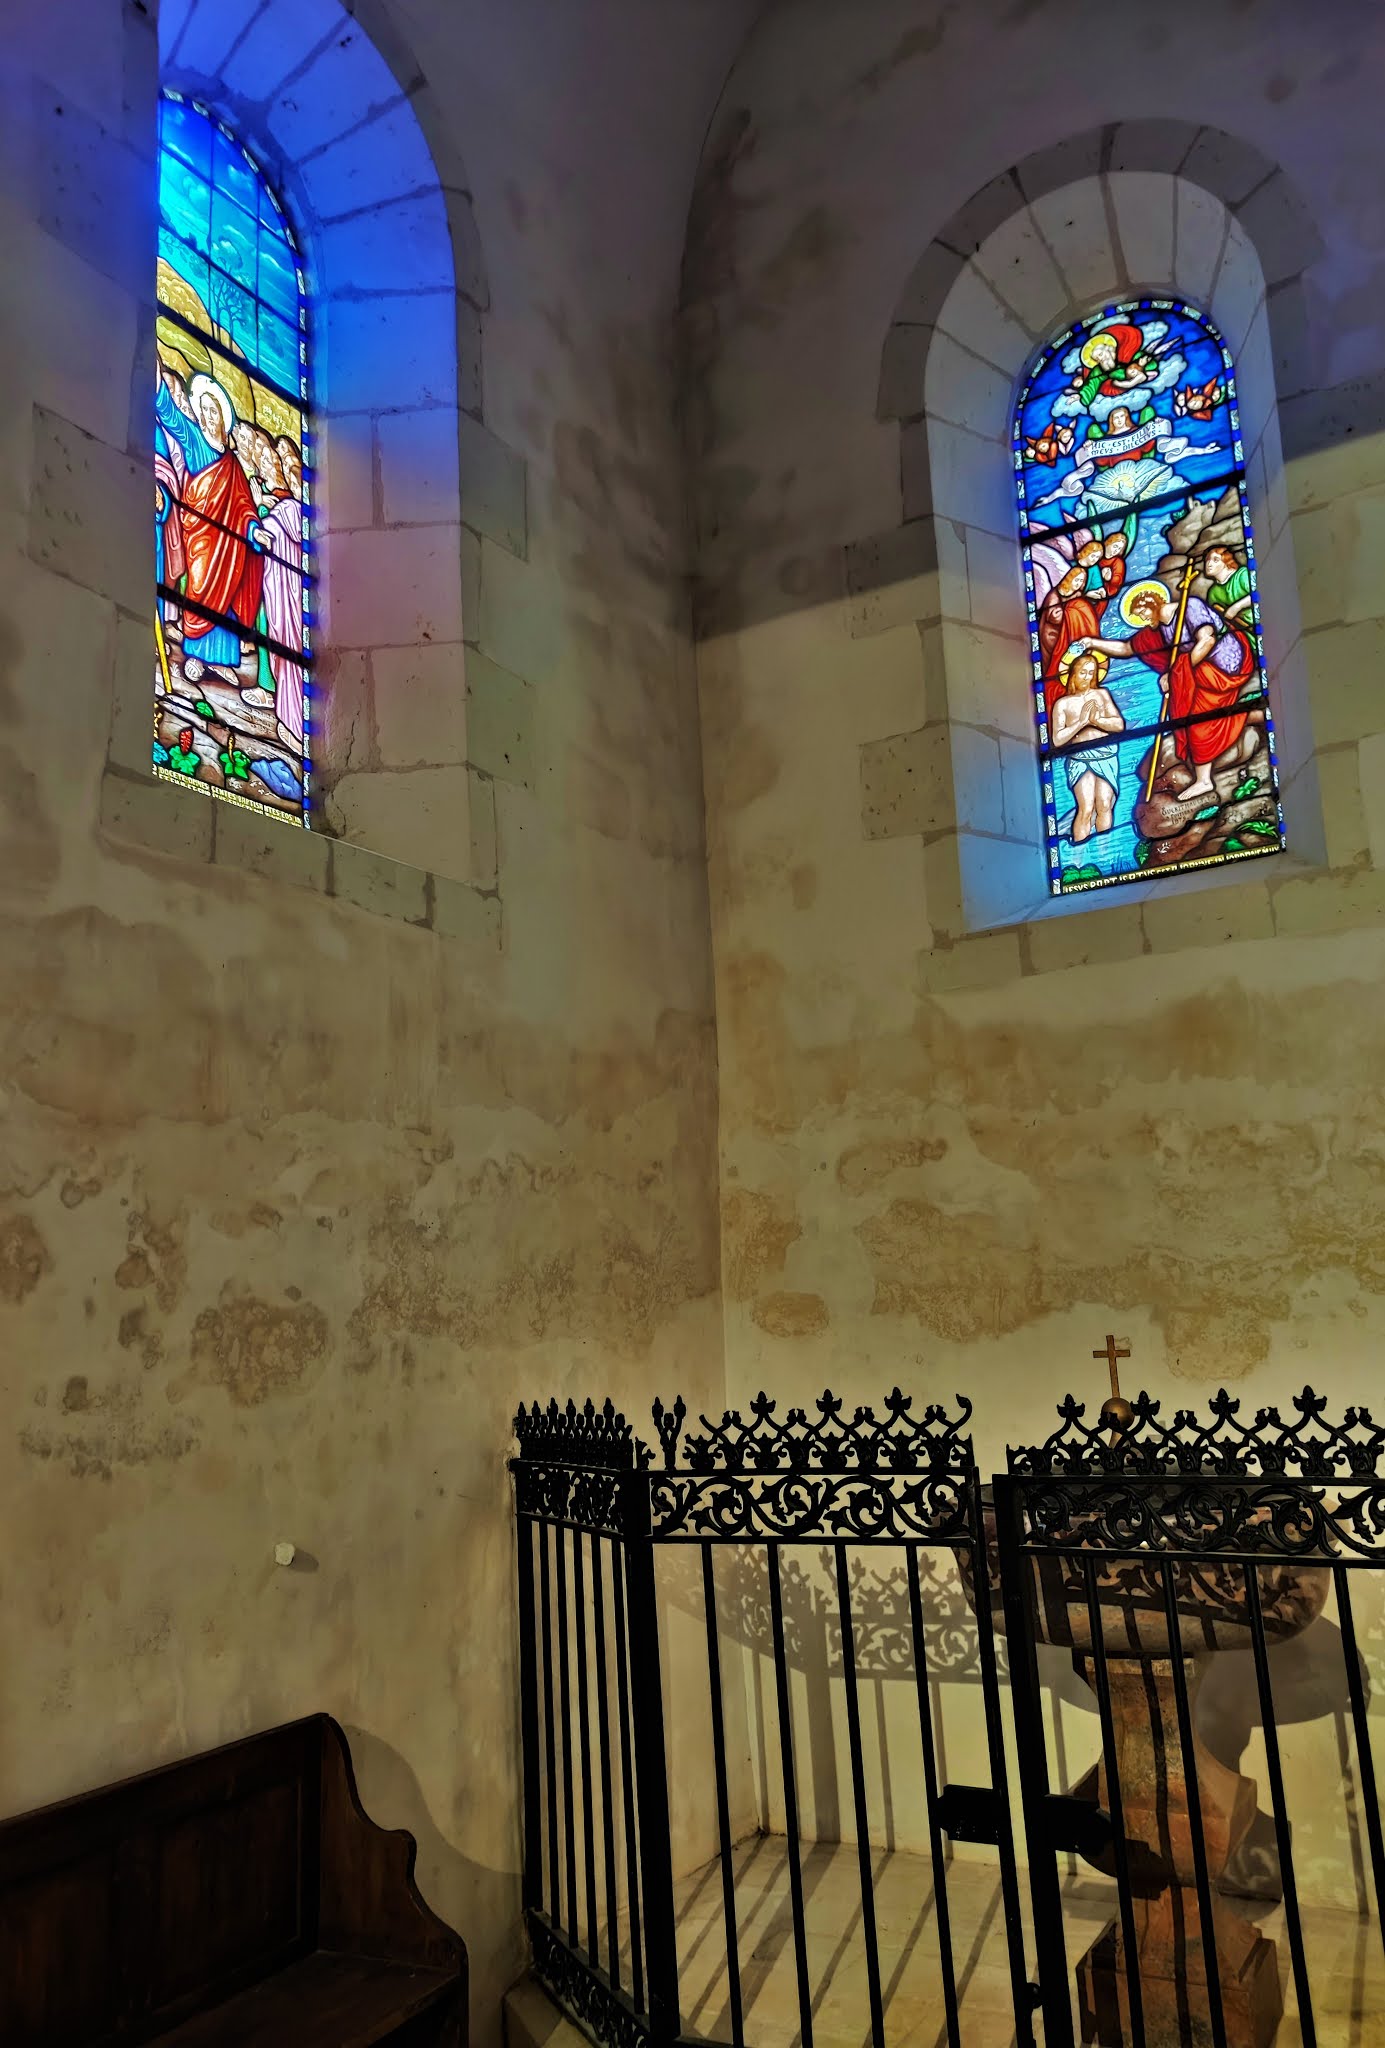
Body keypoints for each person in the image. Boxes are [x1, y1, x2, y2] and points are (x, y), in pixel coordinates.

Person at [1080, 578, 1258, 806]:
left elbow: (1207, 641)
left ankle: (1204, 780)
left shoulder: (1189, 606)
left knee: (1196, 715)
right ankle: (1211, 765)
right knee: (1189, 710)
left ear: (1152, 602)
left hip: (1226, 662)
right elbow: (1126, 648)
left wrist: (1176, 673)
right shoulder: (1158, 631)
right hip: (1202, 670)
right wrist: (1092, 643)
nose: (1142, 619)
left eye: (1142, 612)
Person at [155, 367, 265, 684]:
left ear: (222, 418)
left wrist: (254, 531)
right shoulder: (195, 441)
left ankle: (221, 661)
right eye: (202, 410)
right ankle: (196, 655)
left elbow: (244, 508)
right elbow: (172, 418)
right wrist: (158, 381)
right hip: (202, 540)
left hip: (229, 545)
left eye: (212, 411)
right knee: (200, 589)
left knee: (228, 593)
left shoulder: (233, 465)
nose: (206, 417)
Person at [246, 442, 306, 752]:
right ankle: (292, 722)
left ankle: (293, 723)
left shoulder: (287, 510)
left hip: (286, 594)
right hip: (288, 592)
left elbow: (266, 538)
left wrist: (257, 507)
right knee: (288, 653)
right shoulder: (292, 510)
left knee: (288, 654)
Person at [1051, 647, 1125, 844]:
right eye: (1083, 672)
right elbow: (1057, 739)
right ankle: (1081, 847)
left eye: (1091, 673)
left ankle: (1104, 849)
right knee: (1086, 808)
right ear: (1073, 673)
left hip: (1106, 755)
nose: (1087, 677)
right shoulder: (1063, 704)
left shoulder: (1101, 694)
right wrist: (1082, 722)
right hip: (1080, 759)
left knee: (1104, 805)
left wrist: (1097, 720)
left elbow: (1119, 725)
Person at [1038, 565, 1103, 718]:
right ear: (1069, 579)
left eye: (1081, 581)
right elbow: (1054, 616)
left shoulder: (1077, 594)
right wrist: (1071, 609)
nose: (1078, 584)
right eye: (1076, 580)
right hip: (1052, 636)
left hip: (1067, 637)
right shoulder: (1055, 595)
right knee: (1052, 670)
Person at [1203, 542, 1254, 624]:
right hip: (1235, 629)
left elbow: (1258, 594)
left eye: (1215, 560)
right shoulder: (1213, 592)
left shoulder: (1242, 574)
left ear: (1226, 561)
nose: (1209, 564)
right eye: (1207, 560)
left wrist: (1236, 607)